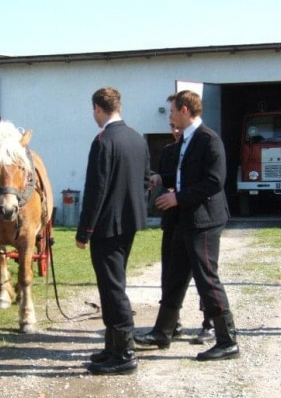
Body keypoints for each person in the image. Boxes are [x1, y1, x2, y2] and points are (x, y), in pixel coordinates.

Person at [134, 90, 239, 361]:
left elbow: (215, 181)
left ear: (184, 110)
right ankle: (162, 332)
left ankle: (227, 340)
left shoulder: (209, 140)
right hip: (184, 220)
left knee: (207, 278)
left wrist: (177, 197)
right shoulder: (185, 141)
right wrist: (162, 178)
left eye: (171, 112)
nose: (169, 117)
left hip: (204, 221)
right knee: (174, 277)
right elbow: (184, 175)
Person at [76, 87, 150, 375]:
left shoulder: (103, 140)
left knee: (112, 288)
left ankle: (125, 352)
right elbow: (145, 180)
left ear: (97, 107)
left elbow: (96, 190)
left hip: (107, 226)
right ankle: (113, 346)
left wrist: (84, 231)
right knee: (113, 284)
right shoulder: (137, 138)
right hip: (128, 222)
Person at [150, 124, 214, 345]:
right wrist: (159, 179)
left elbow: (206, 181)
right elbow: (172, 178)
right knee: (170, 273)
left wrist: (178, 195)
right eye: (171, 126)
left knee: (202, 273)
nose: (175, 130)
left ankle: (210, 322)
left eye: (178, 126)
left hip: (194, 217)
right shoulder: (169, 150)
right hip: (172, 219)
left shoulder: (203, 143)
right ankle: (171, 323)